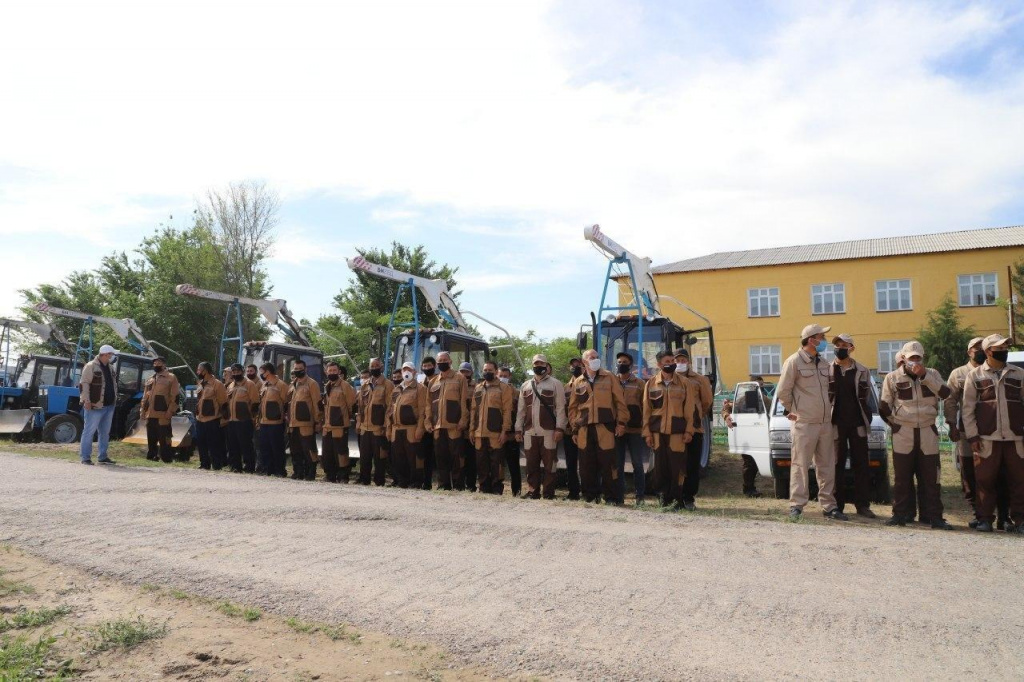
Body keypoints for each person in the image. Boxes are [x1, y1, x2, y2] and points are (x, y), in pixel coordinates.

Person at [879, 341, 953, 529]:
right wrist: (894, 425)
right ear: (903, 358)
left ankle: (933, 517)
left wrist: (925, 376)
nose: (915, 361)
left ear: (923, 358)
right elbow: (884, 406)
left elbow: (945, 393)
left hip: (928, 430)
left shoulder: (933, 374)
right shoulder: (892, 377)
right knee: (902, 477)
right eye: (911, 358)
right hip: (903, 431)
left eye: (918, 358)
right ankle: (900, 515)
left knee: (931, 477)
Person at [777, 324, 843, 520]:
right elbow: (783, 391)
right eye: (822, 337)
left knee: (826, 465)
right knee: (800, 464)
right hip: (804, 423)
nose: (824, 340)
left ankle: (829, 506)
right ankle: (797, 505)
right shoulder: (794, 362)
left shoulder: (824, 363)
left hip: (825, 423)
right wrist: (795, 410)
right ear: (811, 339)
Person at [962, 334, 1024, 534]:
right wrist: (972, 437)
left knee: (1019, 481)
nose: (1004, 350)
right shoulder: (975, 376)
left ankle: (1020, 521)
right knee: (985, 481)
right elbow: (967, 410)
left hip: (1016, 439)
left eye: (1006, 346)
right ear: (988, 351)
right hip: (986, 439)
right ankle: (985, 519)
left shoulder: (1019, 374)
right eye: (1000, 347)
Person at [946, 337, 1010, 529]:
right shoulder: (959, 374)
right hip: (968, 433)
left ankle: (1003, 516)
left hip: (996, 433)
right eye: (975, 348)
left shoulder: (1000, 371)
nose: (978, 350)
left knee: (1001, 474)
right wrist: (952, 425)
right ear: (969, 352)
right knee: (970, 474)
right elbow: (950, 401)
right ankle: (979, 513)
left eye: (980, 347)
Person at [568, 349, 628, 504]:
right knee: (587, 465)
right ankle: (590, 497)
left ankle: (611, 498)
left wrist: (621, 423)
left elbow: (619, 402)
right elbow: (573, 408)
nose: (595, 360)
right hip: (584, 429)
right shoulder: (578, 382)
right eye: (591, 358)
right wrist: (574, 429)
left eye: (596, 357)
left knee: (608, 464)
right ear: (584, 362)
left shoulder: (609, 377)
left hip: (605, 427)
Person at [828, 334, 876, 518]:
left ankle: (863, 505)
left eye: (844, 345)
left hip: (858, 423)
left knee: (861, 464)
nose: (840, 348)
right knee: (836, 464)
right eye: (837, 345)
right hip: (835, 424)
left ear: (852, 348)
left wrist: (868, 418)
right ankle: (836, 505)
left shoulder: (863, 370)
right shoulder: (827, 369)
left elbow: (869, 399)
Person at [643, 350, 696, 508]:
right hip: (657, 432)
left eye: (672, 360)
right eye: (667, 361)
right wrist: (647, 433)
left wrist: (689, 431)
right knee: (660, 467)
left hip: (678, 432)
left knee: (677, 467)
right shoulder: (651, 383)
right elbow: (647, 410)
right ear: (659, 364)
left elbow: (689, 409)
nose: (671, 363)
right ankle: (663, 498)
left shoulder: (684, 383)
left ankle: (676, 499)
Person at [515, 354, 566, 499]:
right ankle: (533, 491)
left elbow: (561, 408)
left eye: (542, 364)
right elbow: (521, 410)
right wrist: (518, 429)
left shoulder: (555, 384)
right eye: (536, 364)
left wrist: (560, 428)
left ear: (546, 365)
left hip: (549, 431)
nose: (539, 366)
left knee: (550, 464)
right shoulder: (525, 385)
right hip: (530, 431)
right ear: (532, 365)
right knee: (531, 464)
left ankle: (549, 493)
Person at [469, 360, 515, 494]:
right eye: (485, 370)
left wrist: (505, 431)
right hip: (479, 433)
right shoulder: (478, 388)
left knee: (497, 464)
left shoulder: (503, 388)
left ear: (496, 372)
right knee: (481, 463)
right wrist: (472, 429)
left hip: (495, 433)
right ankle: (483, 488)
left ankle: (496, 489)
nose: (487, 372)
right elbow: (473, 410)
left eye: (490, 370)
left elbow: (507, 410)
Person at [676, 349, 713, 511]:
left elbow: (706, 402)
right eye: (677, 360)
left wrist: (695, 416)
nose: (680, 363)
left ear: (689, 362)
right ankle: (675, 497)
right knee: (675, 465)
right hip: (675, 429)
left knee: (691, 465)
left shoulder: (700, 379)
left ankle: (689, 498)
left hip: (694, 430)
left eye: (683, 360)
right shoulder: (670, 379)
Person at [426, 351, 469, 490]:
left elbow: (463, 401)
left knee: (457, 457)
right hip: (438, 426)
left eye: (445, 360)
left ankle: (458, 485)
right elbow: (428, 404)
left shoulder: (459, 378)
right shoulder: (433, 381)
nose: (442, 362)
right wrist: (427, 421)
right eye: (440, 361)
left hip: (454, 425)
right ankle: (443, 485)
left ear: (450, 362)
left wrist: (463, 419)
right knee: (440, 457)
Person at [721, 382, 769, 497]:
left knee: (753, 463)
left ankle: (749, 488)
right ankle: (748, 489)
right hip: (747, 435)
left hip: (760, 435)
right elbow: (726, 408)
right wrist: (727, 417)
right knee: (749, 462)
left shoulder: (765, 400)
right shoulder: (742, 400)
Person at [386, 362, 429, 489]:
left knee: (414, 457)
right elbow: (390, 411)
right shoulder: (396, 389)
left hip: (412, 428)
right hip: (396, 429)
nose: (406, 371)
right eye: (404, 369)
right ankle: (402, 481)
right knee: (398, 457)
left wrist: (420, 428)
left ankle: (416, 482)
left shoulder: (420, 389)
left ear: (414, 372)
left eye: (409, 369)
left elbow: (423, 411)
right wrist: (389, 428)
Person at [614, 352, 647, 505]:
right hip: (617, 430)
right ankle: (619, 497)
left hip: (634, 430)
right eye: (619, 361)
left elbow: (645, 406)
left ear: (631, 365)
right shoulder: (612, 381)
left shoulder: (640, 383)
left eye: (625, 362)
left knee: (637, 464)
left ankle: (640, 497)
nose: (621, 364)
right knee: (618, 464)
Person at [78, 344, 120, 465]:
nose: (112, 357)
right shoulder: (90, 366)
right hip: (95, 405)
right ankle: (85, 457)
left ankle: (102, 456)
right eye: (111, 355)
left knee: (105, 433)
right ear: (106, 354)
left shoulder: (111, 368)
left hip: (109, 405)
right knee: (89, 431)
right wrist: (86, 400)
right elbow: (84, 384)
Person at [357, 358, 393, 486]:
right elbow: (360, 406)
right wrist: (358, 423)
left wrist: (386, 425)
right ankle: (364, 480)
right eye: (372, 366)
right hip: (365, 427)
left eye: (377, 365)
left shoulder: (388, 384)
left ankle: (379, 481)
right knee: (364, 457)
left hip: (379, 427)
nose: (374, 368)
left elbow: (390, 407)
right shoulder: (365, 384)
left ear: (382, 367)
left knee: (380, 457)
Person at [286, 359, 321, 481]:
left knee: (309, 449)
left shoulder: (312, 384)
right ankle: (298, 472)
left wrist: (317, 421)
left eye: (300, 369)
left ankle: (310, 473)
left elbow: (317, 404)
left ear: (305, 369)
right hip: (293, 423)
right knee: (295, 450)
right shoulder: (292, 384)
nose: (297, 371)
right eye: (295, 369)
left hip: (306, 423)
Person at [141, 356, 180, 463]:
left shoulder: (171, 377)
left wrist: (170, 411)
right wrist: (142, 410)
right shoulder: (150, 379)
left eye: (158, 363)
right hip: (150, 413)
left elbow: (175, 397)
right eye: (154, 363)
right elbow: (145, 396)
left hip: (163, 414)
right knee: (151, 437)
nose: (156, 365)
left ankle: (166, 458)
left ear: (164, 364)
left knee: (165, 438)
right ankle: (152, 456)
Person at [322, 362, 356, 483]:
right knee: (327, 452)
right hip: (327, 426)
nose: (332, 373)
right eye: (329, 370)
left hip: (340, 426)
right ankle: (330, 475)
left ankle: (343, 476)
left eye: (334, 370)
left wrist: (343, 417)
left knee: (341, 453)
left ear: (338, 372)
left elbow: (351, 404)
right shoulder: (327, 386)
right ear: (326, 372)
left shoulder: (345, 386)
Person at [223, 363, 259, 473]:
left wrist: (252, 418)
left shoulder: (249, 384)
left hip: (244, 421)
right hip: (232, 420)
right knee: (233, 445)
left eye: (237, 371)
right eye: (233, 372)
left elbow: (255, 403)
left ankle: (249, 467)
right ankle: (235, 466)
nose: (235, 373)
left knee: (246, 445)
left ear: (242, 372)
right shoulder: (230, 385)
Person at [256, 362, 289, 477]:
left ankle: (279, 470)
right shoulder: (264, 385)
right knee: (265, 447)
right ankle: (267, 469)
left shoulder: (281, 385)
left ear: (268, 372)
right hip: (264, 422)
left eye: (262, 372)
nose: (260, 374)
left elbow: (286, 403)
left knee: (277, 447)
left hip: (276, 422)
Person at [194, 361, 227, 470]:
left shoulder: (217, 384)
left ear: (205, 371)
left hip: (212, 419)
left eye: (199, 369)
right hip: (200, 419)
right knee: (201, 442)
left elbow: (223, 402)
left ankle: (216, 465)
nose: (197, 372)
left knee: (213, 443)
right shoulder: (200, 383)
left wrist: (223, 419)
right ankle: (204, 464)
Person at [562, 357, 584, 500]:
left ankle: (589, 491)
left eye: (578, 365)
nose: (575, 367)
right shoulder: (565, 388)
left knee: (586, 463)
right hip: (569, 431)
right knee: (570, 463)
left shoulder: (587, 384)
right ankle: (573, 492)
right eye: (573, 365)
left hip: (584, 430)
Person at [499, 366, 522, 497]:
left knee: (513, 465)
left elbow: (520, 413)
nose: (503, 378)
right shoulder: (493, 390)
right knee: (497, 464)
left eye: (505, 375)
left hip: (512, 434)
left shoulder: (517, 393)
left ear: (510, 377)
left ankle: (516, 491)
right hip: (496, 433)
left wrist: (516, 432)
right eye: (501, 375)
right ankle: (497, 489)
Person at [459, 361, 478, 492]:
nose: (464, 374)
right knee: (458, 458)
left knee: (471, 459)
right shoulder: (455, 386)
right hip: (456, 427)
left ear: (471, 373)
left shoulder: (476, 387)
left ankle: (470, 485)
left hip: (470, 429)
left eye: (467, 371)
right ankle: (458, 484)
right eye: (462, 371)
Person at [419, 356, 438, 490]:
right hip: (422, 424)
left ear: (434, 366)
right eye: (424, 366)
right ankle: (426, 483)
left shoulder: (439, 380)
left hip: (436, 423)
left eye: (429, 366)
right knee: (424, 456)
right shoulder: (420, 382)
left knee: (440, 455)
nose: (426, 368)